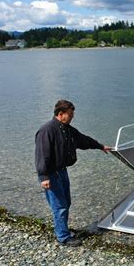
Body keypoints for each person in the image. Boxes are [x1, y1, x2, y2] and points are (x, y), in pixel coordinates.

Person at [35, 99, 111, 247]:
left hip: (62, 171)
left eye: (72, 114)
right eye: (70, 115)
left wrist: (100, 146)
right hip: (51, 173)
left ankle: (62, 229)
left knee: (66, 202)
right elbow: (42, 155)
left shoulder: (68, 129)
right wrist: (43, 177)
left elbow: (83, 140)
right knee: (59, 205)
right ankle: (63, 237)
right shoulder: (47, 130)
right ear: (60, 114)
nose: (72, 117)